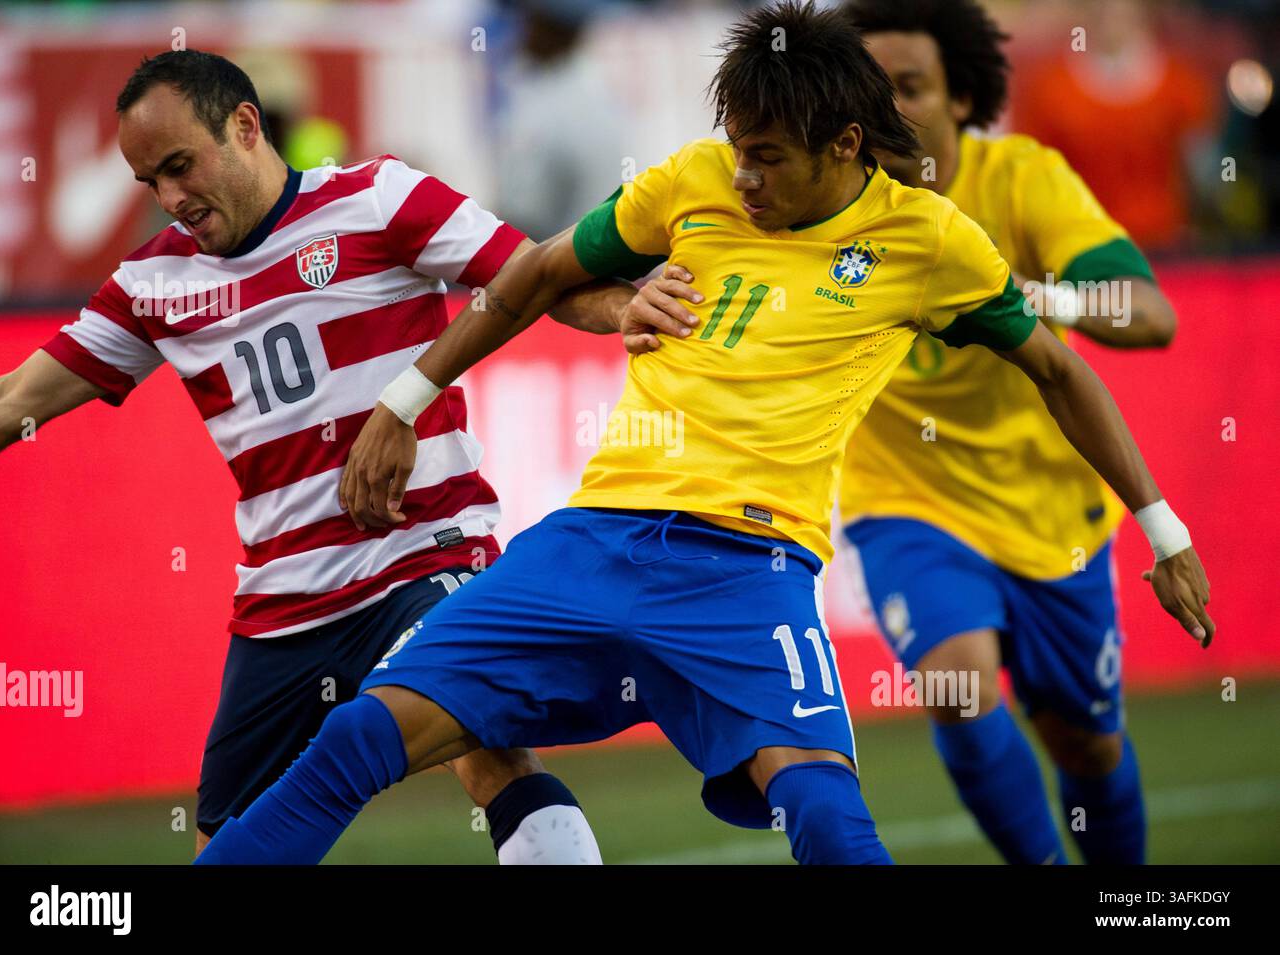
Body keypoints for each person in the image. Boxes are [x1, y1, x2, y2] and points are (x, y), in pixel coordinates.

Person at [196, 1, 1211, 867]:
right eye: (737, 150)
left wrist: (1163, 533)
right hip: (590, 542)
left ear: (845, 147)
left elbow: (1060, 369)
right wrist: (405, 399)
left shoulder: (932, 240)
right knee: (353, 740)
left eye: (767, 159)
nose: (745, 177)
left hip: (749, 569)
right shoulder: (692, 183)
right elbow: (541, 272)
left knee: (824, 813)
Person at [0, 49, 637, 864]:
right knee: (229, 843)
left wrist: (629, 309)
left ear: (246, 125)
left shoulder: (378, 200)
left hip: (419, 557)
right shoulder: (153, 284)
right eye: (150, 181)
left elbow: (533, 277)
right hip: (283, 606)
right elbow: (10, 402)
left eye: (180, 166)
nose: (170, 198)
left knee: (488, 750)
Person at [838, 0, 1195, 864]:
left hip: (1046, 509)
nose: (893, 108)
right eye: (872, 91)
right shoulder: (828, 204)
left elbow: (1150, 314)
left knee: (1086, 746)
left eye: (912, 87)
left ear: (963, 98)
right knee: (957, 684)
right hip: (906, 499)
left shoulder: (1023, 180)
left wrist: (1052, 300)